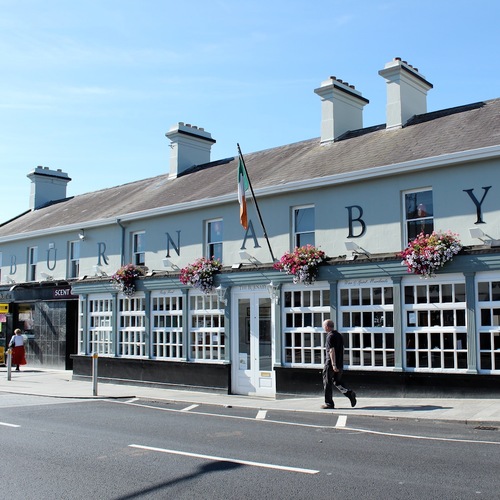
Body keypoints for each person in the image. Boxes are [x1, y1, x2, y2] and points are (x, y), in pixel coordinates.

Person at [321, 319, 356, 409]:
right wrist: (339, 362)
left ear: (327, 327)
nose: (323, 328)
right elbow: (343, 349)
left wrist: (333, 364)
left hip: (331, 364)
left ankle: (329, 403)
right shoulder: (339, 335)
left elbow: (331, 350)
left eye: (323, 326)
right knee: (337, 381)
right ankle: (349, 393)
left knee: (327, 383)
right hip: (340, 363)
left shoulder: (330, 336)